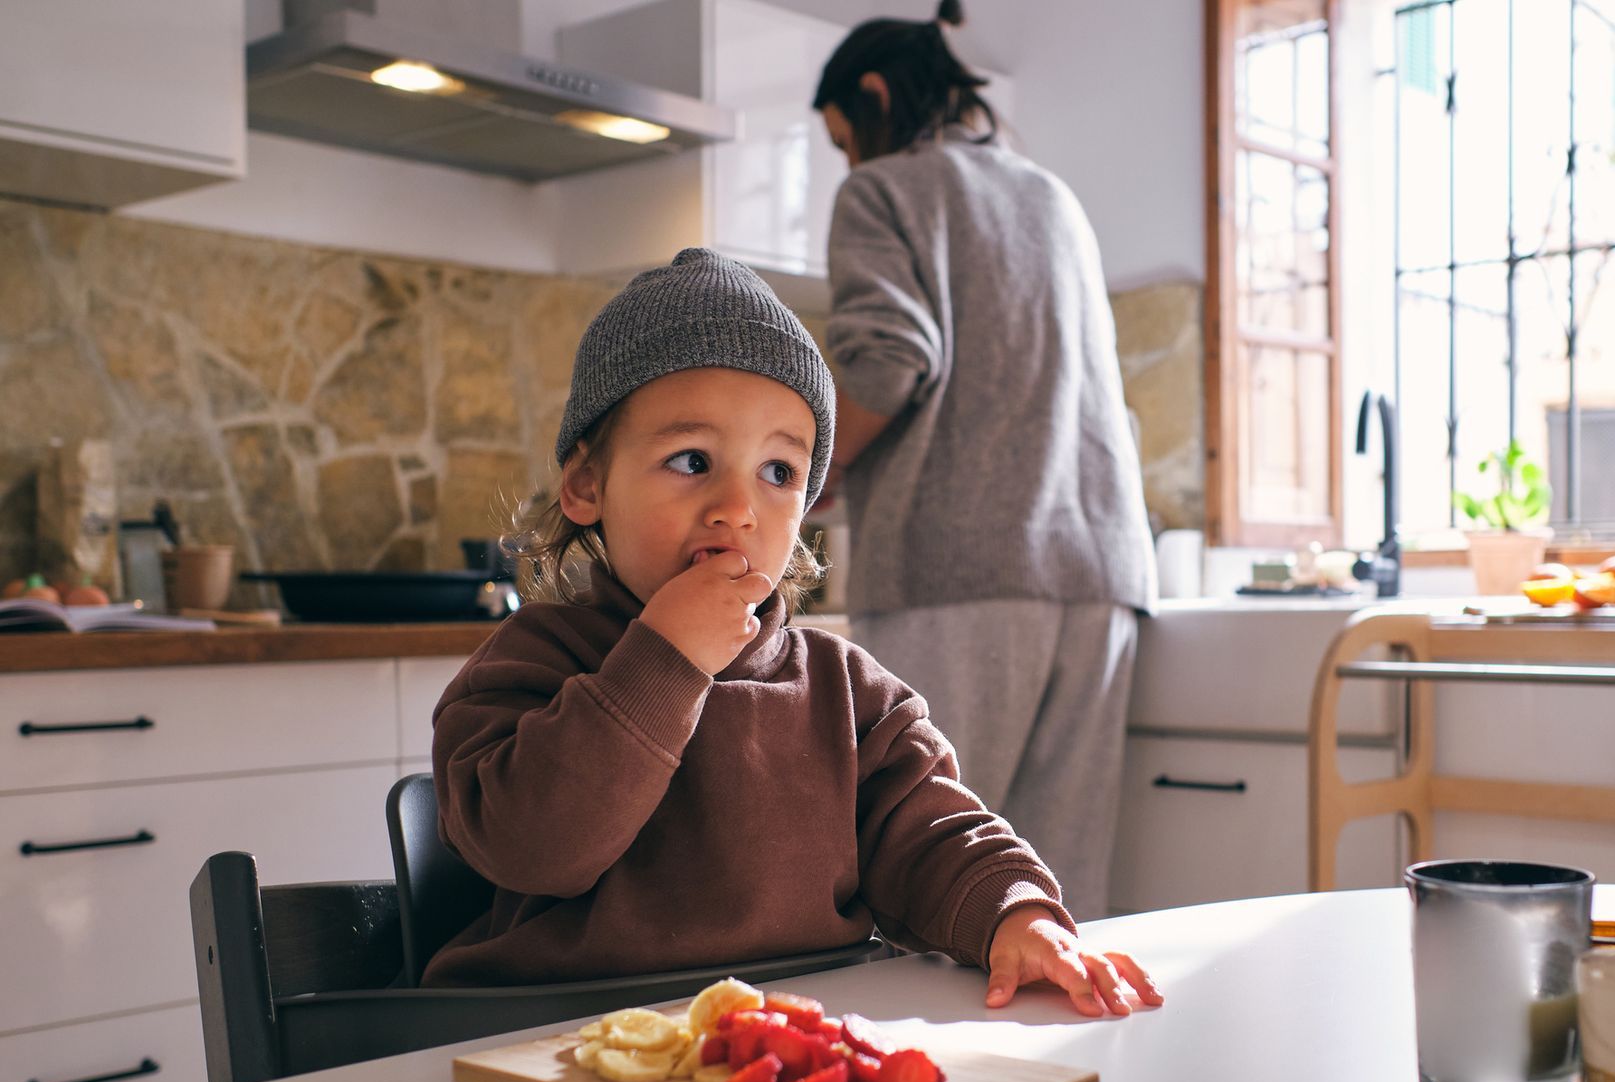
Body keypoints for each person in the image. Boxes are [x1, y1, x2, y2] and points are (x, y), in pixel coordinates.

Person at [424, 248, 1160, 1019]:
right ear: (585, 485)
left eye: (779, 473)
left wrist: (1016, 914)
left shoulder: (846, 691)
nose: (738, 507)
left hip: (792, 1041)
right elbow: (537, 846)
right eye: (691, 459)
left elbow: (933, 833)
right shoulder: (529, 662)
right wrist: (664, 663)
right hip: (564, 1047)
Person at [814, 2, 1155, 919]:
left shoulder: (882, 191)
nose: (850, 164)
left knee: (918, 871)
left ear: (876, 95)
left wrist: (805, 474)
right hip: (1103, 578)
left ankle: (916, 1070)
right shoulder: (1050, 195)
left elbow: (889, 358)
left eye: (847, 139)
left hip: (963, 569)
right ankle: (1056, 1067)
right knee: (1054, 895)